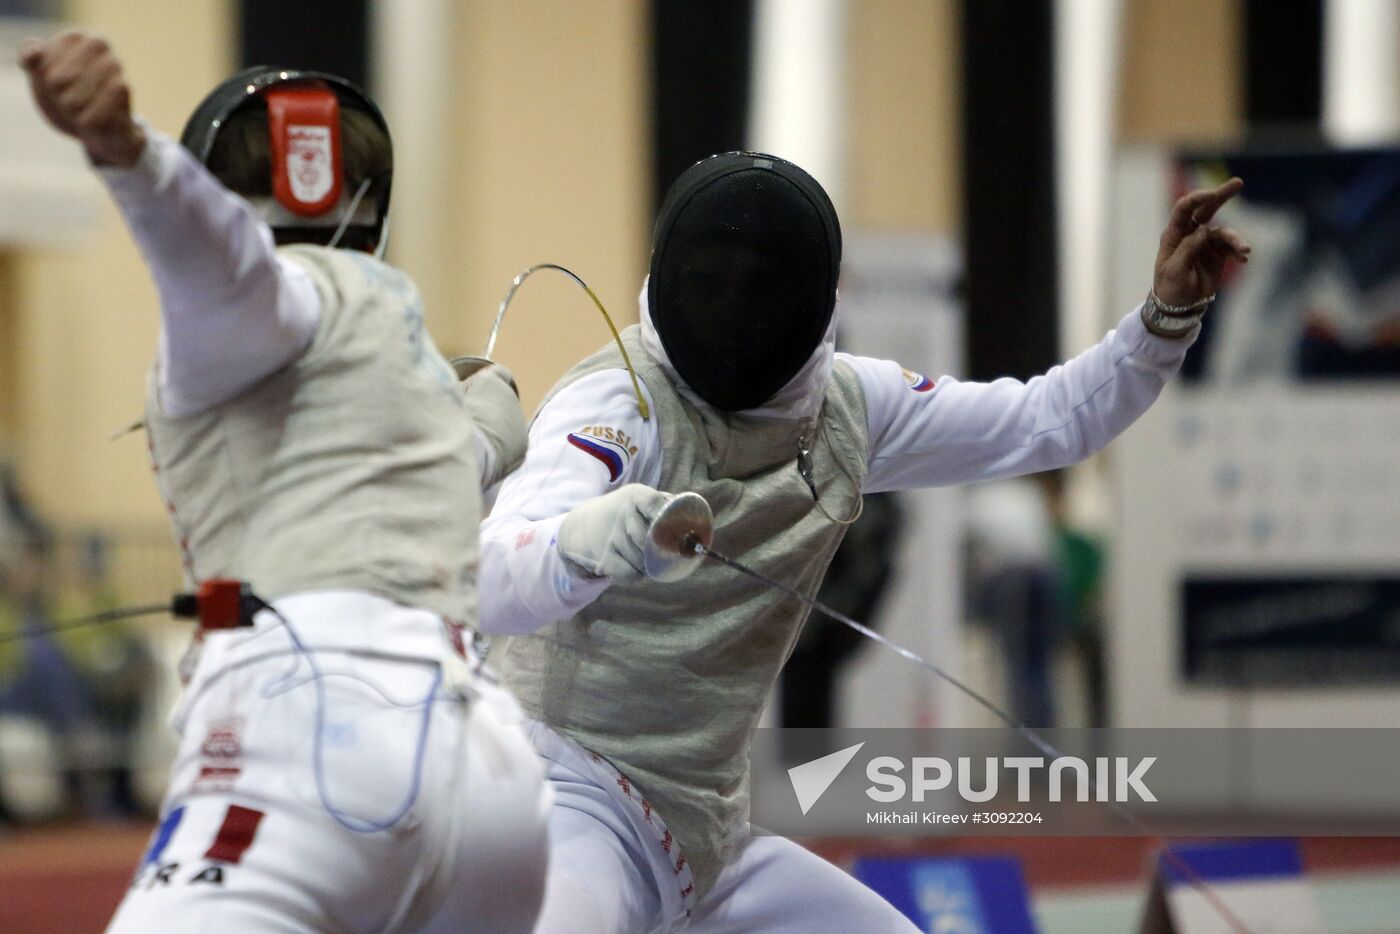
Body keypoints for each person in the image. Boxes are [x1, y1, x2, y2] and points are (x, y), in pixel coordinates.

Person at [478, 150, 1248, 931]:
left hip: (702, 833)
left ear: (811, 299)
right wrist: (586, 540)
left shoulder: (847, 405)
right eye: (713, 282)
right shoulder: (618, 405)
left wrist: (1164, 319)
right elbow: (490, 577)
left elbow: (1046, 419)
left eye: (762, 287)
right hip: (568, 798)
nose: (737, 308)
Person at [22, 31, 549, 932]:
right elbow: (458, 460)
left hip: (315, 732)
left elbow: (231, 266)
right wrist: (492, 430)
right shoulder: (399, 345)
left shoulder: (272, 299)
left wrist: (129, 154)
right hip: (494, 777)